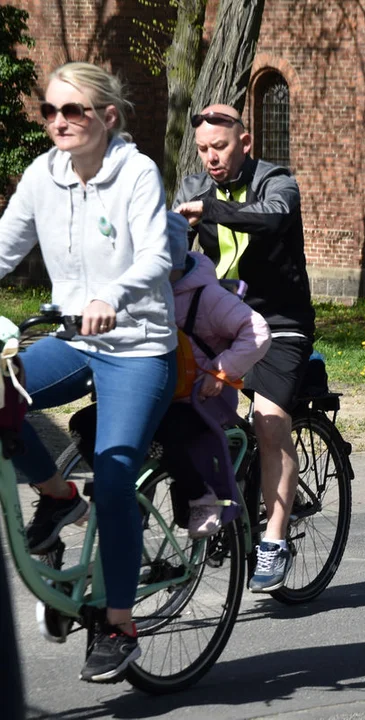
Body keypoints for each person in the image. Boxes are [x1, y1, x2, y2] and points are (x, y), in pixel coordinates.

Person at [0, 62, 176, 681]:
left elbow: (156, 254)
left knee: (116, 467)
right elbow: (2, 248)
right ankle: (57, 496)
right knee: (0, 391)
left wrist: (112, 297)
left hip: (136, 346)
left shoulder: (136, 172)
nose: (58, 122)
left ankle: (119, 622)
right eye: (49, 110)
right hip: (74, 341)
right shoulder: (42, 176)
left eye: (72, 111)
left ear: (108, 116)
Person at [173, 104, 315, 592]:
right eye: (203, 150)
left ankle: (274, 542)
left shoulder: (277, 181)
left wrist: (210, 210)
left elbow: (273, 219)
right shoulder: (193, 188)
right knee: (184, 403)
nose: (211, 158)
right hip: (217, 320)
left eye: (221, 147)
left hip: (279, 321)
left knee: (269, 421)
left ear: (246, 143)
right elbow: (171, 248)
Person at [157, 212, 271, 537]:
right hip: (165, 390)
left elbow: (258, 332)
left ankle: (205, 499)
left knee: (163, 431)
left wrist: (220, 372)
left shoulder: (207, 297)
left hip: (204, 396)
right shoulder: (146, 292)